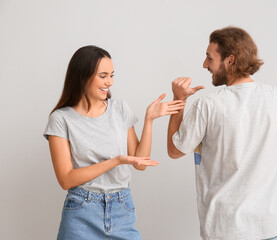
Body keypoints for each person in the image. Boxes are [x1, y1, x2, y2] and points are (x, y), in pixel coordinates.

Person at [167, 27, 277, 240]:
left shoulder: (208, 105)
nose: (205, 65)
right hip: (272, 230)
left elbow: (174, 150)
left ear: (230, 60)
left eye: (210, 58)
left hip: (225, 232)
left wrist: (179, 100)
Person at [44, 45, 185, 240]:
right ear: (83, 76)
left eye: (112, 75)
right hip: (81, 211)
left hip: (122, 208)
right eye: (103, 76)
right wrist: (116, 161)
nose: (109, 82)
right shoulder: (61, 119)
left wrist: (149, 120)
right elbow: (66, 179)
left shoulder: (120, 109)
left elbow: (140, 163)